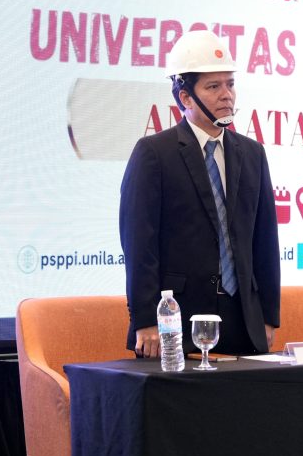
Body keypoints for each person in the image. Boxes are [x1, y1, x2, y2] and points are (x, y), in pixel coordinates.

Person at [119, 29, 281, 356]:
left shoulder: (252, 153)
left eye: (230, 84)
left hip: (243, 319)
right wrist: (145, 319)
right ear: (185, 97)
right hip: (176, 320)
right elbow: (139, 244)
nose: (227, 95)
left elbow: (265, 240)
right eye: (213, 86)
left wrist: (268, 315)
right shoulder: (154, 153)